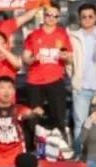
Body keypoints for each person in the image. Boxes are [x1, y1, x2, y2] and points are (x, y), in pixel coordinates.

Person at [22, 6, 71, 135]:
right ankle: (33, 144)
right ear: (44, 16)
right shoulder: (33, 35)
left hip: (55, 79)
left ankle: (60, 142)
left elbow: (69, 59)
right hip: (35, 81)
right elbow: (25, 59)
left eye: (55, 16)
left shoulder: (63, 34)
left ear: (58, 18)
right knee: (33, 118)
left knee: (59, 117)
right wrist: (34, 58)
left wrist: (65, 57)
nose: (52, 18)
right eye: (49, 15)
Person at [69, 3, 96, 152]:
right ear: (79, 19)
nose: (87, 19)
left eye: (90, 16)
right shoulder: (73, 37)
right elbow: (69, 62)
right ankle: (79, 154)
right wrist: (74, 79)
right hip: (81, 88)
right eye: (83, 17)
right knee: (80, 123)